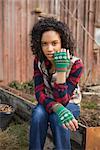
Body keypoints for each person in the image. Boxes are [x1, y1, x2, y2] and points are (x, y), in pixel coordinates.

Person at [29, 17, 83, 150]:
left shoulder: (76, 64)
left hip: (70, 102)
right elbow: (39, 92)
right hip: (47, 100)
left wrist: (61, 71)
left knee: (57, 119)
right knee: (38, 115)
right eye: (44, 44)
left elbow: (63, 100)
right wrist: (56, 107)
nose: (49, 49)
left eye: (54, 43)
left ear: (62, 43)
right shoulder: (39, 61)